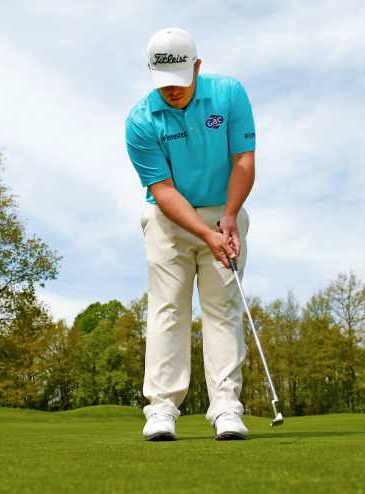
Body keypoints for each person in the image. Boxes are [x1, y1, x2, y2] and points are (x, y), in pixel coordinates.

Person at [125, 27, 257, 441]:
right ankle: (161, 410)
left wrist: (230, 216)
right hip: (169, 220)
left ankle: (226, 408)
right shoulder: (140, 121)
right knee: (168, 309)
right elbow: (163, 190)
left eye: (180, 80)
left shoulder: (229, 95)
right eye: (163, 82)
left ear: (197, 67)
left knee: (223, 309)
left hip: (223, 211)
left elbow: (244, 160)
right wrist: (203, 232)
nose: (172, 91)